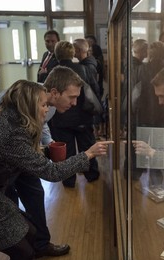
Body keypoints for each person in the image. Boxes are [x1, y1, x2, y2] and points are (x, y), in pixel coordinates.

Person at [0, 79, 112, 260]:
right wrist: (87, 155)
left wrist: (46, 151)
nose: (47, 110)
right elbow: (52, 173)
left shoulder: (8, 120)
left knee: (29, 231)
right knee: (23, 254)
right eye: (43, 104)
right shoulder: (12, 134)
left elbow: (20, 156)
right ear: (28, 104)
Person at [0, 66, 85, 260]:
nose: (74, 103)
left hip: (25, 157)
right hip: (3, 165)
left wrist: (49, 142)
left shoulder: (48, 106)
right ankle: (27, 259)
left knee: (35, 196)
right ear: (54, 92)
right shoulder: (14, 99)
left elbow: (41, 126)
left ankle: (41, 244)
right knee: (12, 208)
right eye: (71, 97)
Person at [50, 40, 100, 188]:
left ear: (56, 54)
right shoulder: (83, 69)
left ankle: (69, 180)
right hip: (83, 116)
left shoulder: (52, 72)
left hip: (59, 118)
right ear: (73, 53)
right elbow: (94, 92)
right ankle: (92, 175)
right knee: (88, 147)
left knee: (66, 151)